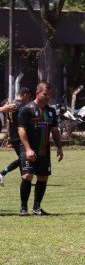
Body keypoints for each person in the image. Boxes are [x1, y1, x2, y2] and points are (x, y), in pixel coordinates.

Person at [17, 82, 63, 216]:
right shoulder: (27, 109)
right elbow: (21, 130)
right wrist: (28, 149)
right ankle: (23, 207)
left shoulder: (51, 111)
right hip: (29, 149)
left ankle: (37, 207)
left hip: (44, 149)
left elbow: (54, 130)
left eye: (49, 95)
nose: (48, 97)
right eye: (45, 94)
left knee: (43, 177)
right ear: (38, 93)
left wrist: (59, 147)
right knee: (27, 175)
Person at [0, 87, 32, 186]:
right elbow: (26, 121)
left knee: (22, 157)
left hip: (14, 136)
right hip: (20, 136)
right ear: (25, 94)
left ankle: (24, 178)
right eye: (28, 97)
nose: (28, 100)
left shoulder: (11, 105)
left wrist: (9, 136)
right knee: (24, 157)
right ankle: (2, 173)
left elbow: (9, 121)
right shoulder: (22, 106)